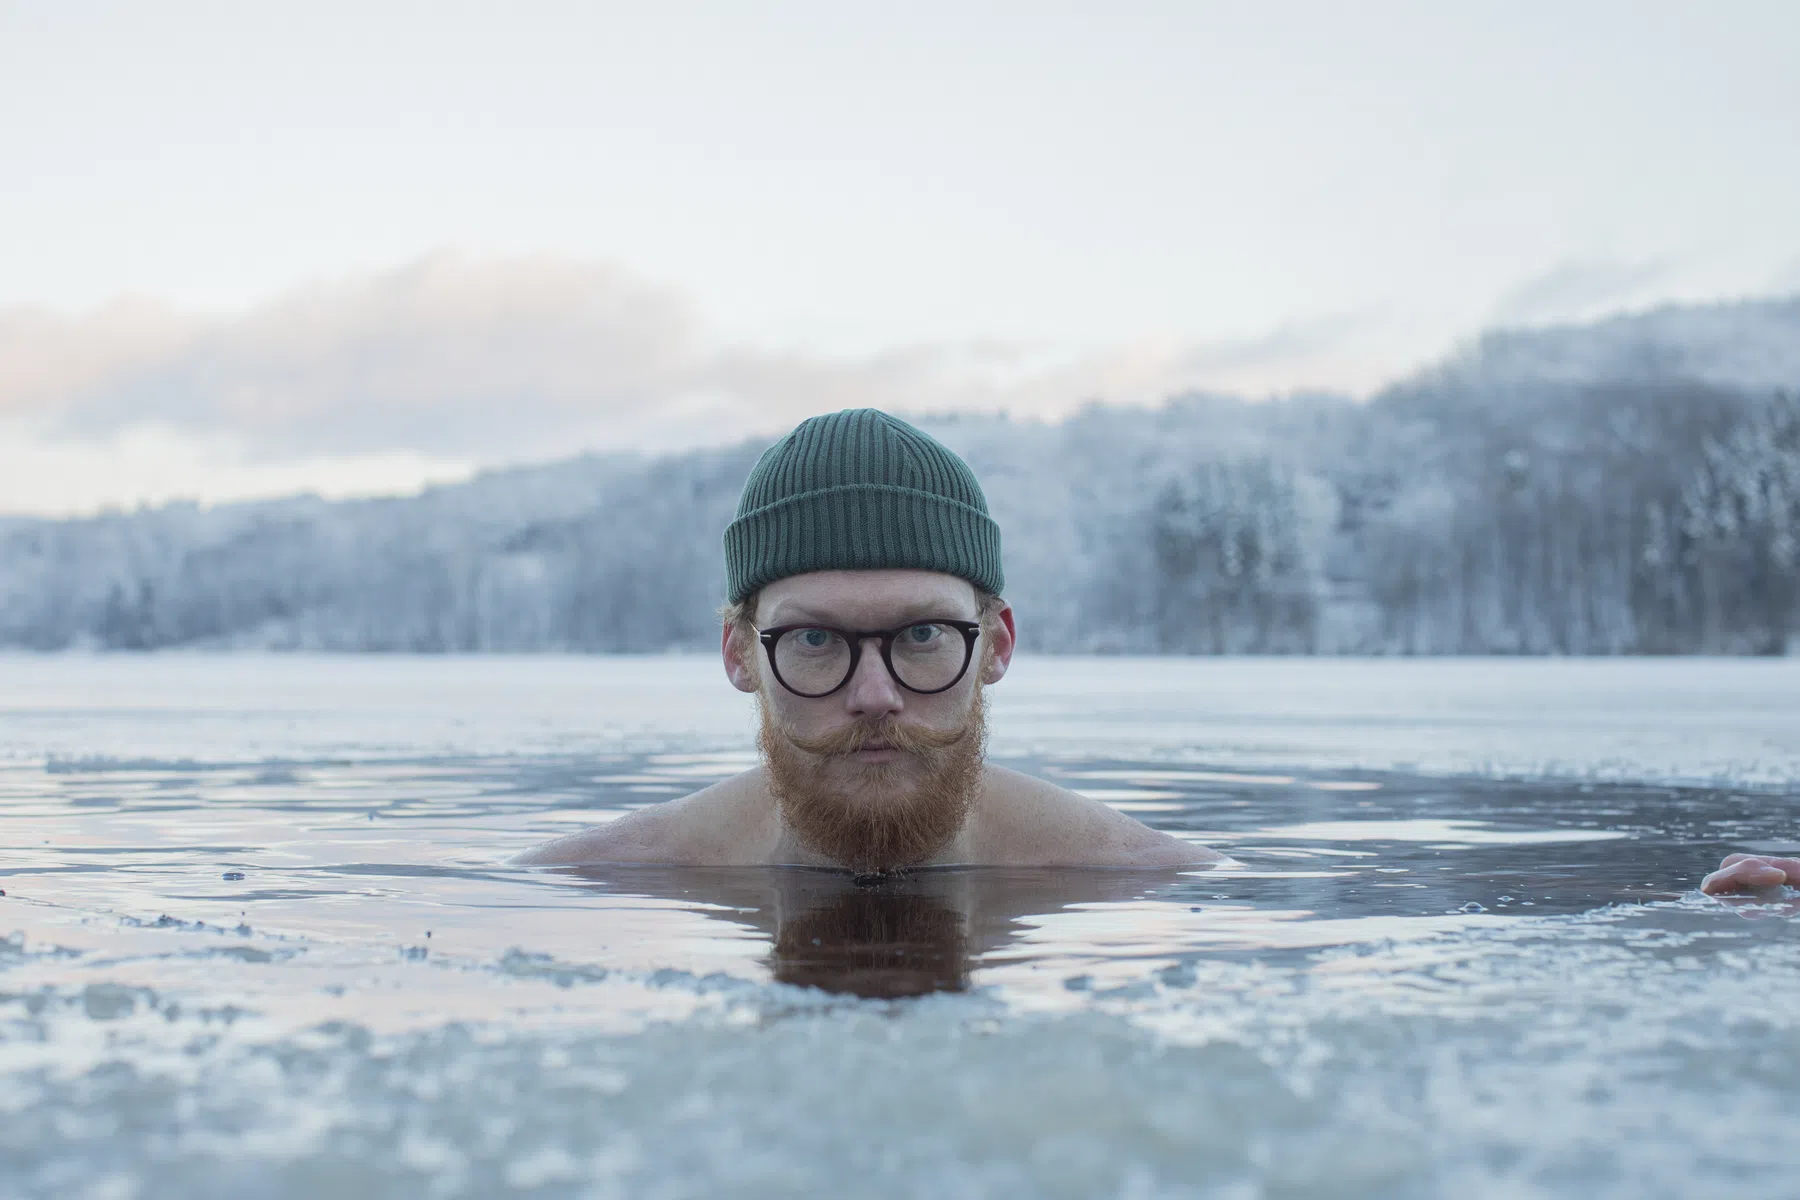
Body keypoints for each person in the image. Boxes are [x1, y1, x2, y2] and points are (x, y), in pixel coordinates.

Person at [517, 407, 1222, 874]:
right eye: (816, 638)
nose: (875, 696)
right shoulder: (608, 875)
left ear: (997, 646)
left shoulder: (1134, 875)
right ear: (740, 654)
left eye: (923, 634)